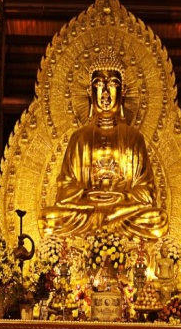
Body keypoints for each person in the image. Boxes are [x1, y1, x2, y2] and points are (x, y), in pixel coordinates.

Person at [39, 48, 167, 241]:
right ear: (89, 92)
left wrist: (121, 198)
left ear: (123, 92)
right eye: (98, 85)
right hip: (87, 212)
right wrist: (88, 196)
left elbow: (148, 192)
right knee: (47, 218)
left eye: (113, 85)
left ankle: (106, 223)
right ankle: (103, 223)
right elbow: (64, 191)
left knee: (158, 220)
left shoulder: (134, 137)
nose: (105, 93)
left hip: (122, 211)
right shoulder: (79, 138)